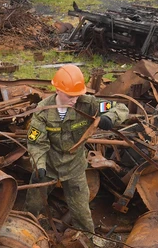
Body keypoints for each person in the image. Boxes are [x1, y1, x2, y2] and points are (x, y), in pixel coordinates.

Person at [25, 64, 129, 233]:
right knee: (33, 205)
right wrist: (39, 167)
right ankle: (26, 231)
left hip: (75, 167)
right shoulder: (42, 111)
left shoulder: (87, 104)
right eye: (69, 96)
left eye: (77, 95)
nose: (74, 100)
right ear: (57, 90)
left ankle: (87, 240)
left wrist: (109, 118)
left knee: (81, 211)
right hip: (49, 166)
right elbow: (36, 143)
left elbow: (120, 107)